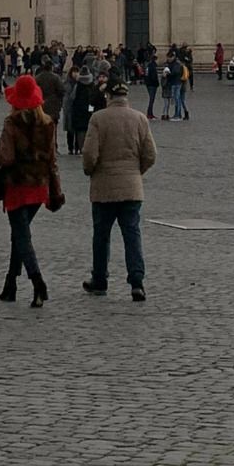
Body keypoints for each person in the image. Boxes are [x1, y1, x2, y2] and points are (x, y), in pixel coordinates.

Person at [81, 73, 154, 298]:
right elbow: (150, 154)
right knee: (132, 235)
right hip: (132, 187)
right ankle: (137, 282)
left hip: (104, 188)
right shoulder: (140, 118)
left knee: (101, 236)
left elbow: (90, 155)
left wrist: (90, 171)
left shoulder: (99, 119)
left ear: (108, 95)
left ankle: (100, 280)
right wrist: (135, 172)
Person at [0, 73, 60, 306]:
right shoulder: (48, 124)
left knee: (22, 236)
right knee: (18, 235)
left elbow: (7, 158)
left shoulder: (12, 124)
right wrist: (55, 189)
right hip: (39, 185)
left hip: (17, 185)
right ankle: (10, 284)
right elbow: (52, 160)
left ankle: (37, 282)